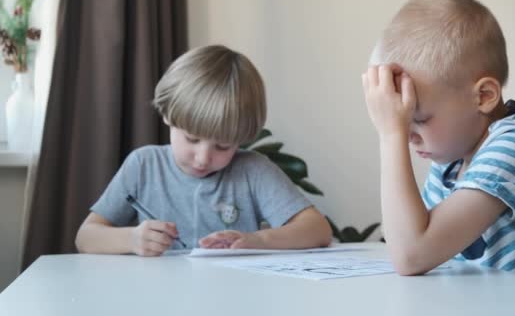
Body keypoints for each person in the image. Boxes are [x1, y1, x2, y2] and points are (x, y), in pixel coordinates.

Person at [362, 0, 515, 291]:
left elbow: (411, 255)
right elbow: (411, 241)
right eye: (401, 122)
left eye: (420, 119)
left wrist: (390, 134)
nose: (409, 136)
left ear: (485, 96)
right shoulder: (452, 157)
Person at [75, 45, 332, 256]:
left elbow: (317, 229)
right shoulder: (143, 165)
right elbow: (86, 237)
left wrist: (259, 240)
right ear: (167, 115)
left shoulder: (253, 170)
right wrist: (131, 239)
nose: (203, 157)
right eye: (192, 139)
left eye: (223, 146)